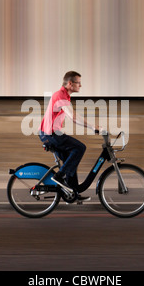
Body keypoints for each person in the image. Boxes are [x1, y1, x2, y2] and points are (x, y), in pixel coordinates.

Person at [39, 71, 102, 201]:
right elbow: (73, 117)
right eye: (78, 83)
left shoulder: (64, 96)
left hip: (50, 133)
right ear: (70, 83)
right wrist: (93, 127)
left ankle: (73, 194)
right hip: (50, 134)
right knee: (80, 148)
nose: (81, 85)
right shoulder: (61, 95)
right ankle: (59, 176)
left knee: (71, 162)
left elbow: (71, 116)